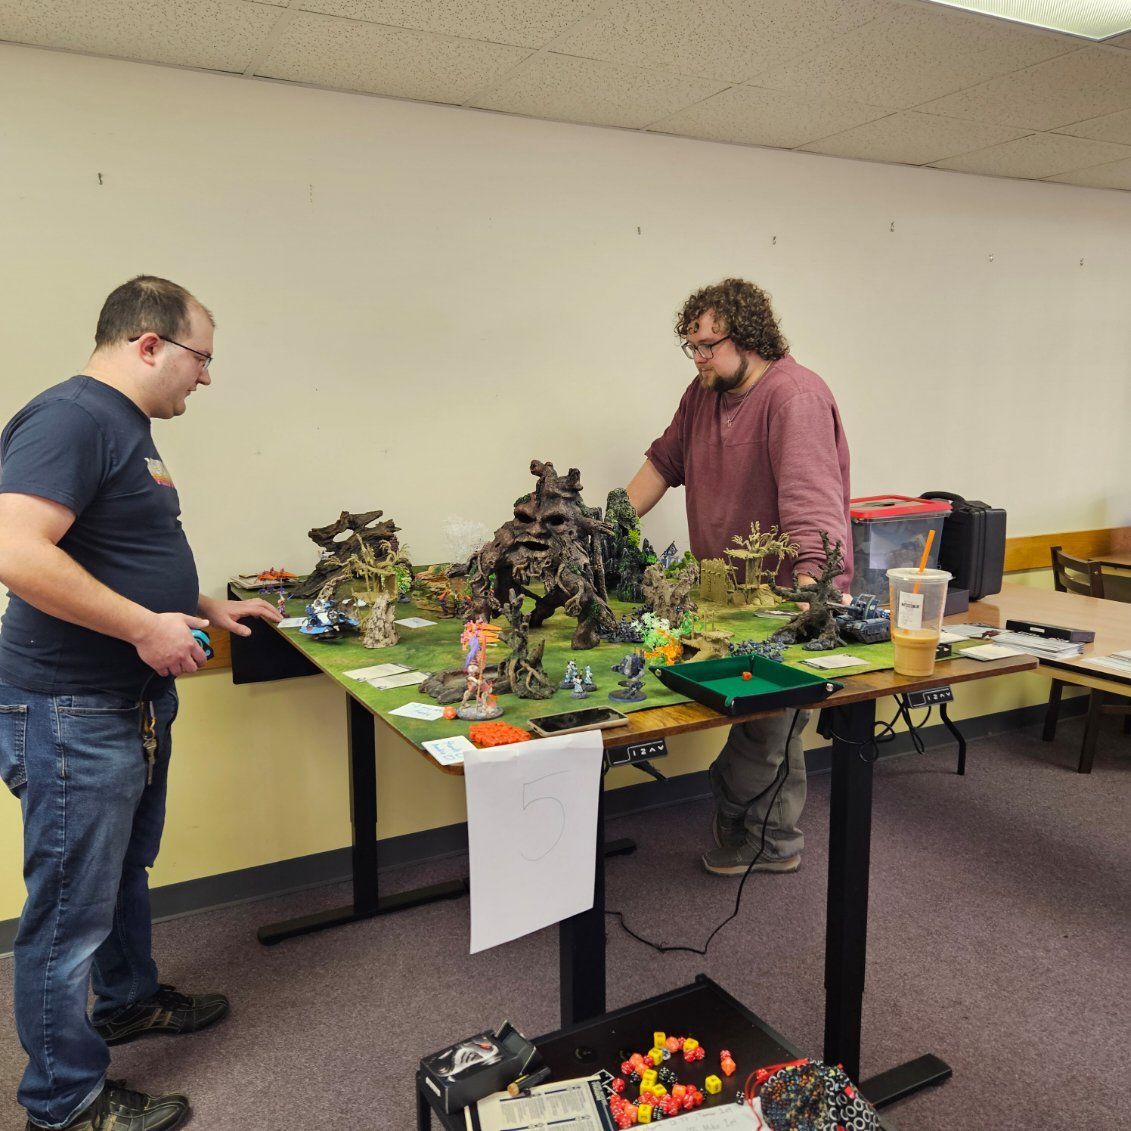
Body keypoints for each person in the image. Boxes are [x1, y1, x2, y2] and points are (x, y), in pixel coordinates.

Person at [0, 276, 281, 1130]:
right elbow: (14, 549)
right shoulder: (73, 417)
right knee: (69, 911)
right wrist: (142, 630)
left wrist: (200, 610)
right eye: (200, 358)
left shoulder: (125, 429)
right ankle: (65, 1103)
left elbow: (115, 552)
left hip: (125, 703)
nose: (206, 377)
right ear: (148, 343)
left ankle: (126, 1001)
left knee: (122, 871)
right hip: (70, 709)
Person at [626, 278, 852, 877]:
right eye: (691, 345)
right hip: (718, 597)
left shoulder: (795, 396)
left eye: (709, 344)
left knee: (766, 729)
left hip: (778, 603)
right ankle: (772, 840)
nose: (698, 356)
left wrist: (814, 595)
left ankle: (763, 840)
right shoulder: (702, 393)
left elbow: (812, 505)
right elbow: (662, 465)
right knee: (765, 728)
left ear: (749, 337)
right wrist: (604, 529)